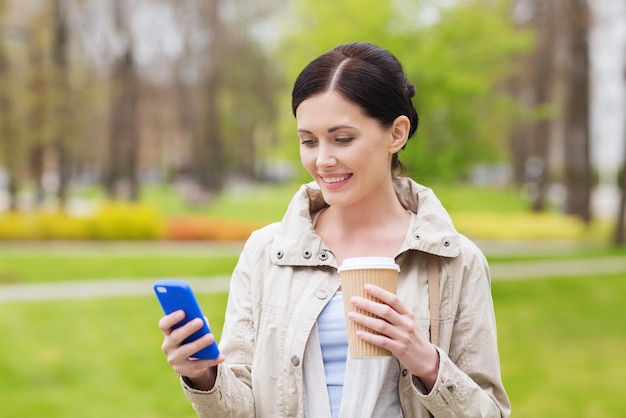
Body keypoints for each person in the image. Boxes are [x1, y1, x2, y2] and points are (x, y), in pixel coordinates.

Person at [158, 41, 511, 417]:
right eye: (308, 141)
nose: (323, 160)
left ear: (397, 134)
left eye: (342, 139)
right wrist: (203, 376)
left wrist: (425, 361)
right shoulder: (266, 252)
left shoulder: (455, 262)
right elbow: (241, 409)